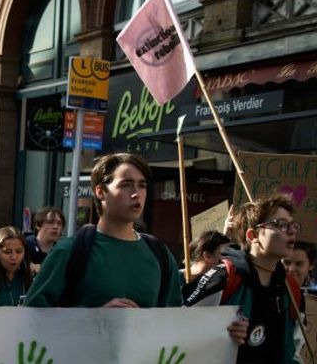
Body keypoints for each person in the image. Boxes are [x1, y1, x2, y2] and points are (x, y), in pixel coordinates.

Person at [24, 153, 182, 308]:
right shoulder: (68, 251)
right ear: (100, 192)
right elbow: (32, 319)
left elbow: (173, 324)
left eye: (142, 185)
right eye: (126, 185)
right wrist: (95, 318)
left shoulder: (160, 254)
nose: (136, 194)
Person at [184, 195, 304, 362]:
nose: (291, 231)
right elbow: (182, 325)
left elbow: (294, 350)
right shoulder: (224, 277)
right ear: (253, 235)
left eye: (293, 225)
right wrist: (219, 332)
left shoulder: (291, 289)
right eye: (281, 225)